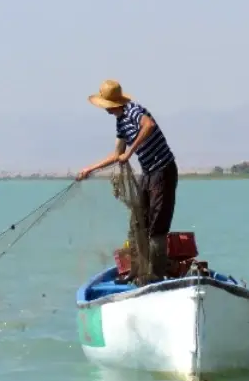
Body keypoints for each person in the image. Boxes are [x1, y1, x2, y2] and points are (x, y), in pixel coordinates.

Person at [76, 79, 178, 281]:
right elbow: (117, 154)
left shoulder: (132, 110)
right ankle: (136, 270)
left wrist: (131, 152)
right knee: (138, 223)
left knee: (157, 228)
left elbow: (148, 124)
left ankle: (155, 278)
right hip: (148, 173)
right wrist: (90, 168)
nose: (106, 109)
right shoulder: (120, 122)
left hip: (163, 171)